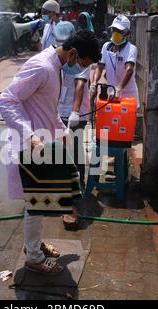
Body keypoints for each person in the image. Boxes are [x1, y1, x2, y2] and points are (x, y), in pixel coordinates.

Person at [0, 31, 101, 275]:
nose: (79, 69)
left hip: (43, 144)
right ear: (73, 52)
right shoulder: (43, 67)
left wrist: (63, 132)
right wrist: (29, 134)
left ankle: (34, 245)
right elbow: (7, 100)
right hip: (31, 145)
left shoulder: (56, 67)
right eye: (81, 63)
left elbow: (47, 108)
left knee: (40, 201)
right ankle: (33, 256)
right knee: (36, 202)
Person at [54, 21, 91, 217]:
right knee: (61, 151)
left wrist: (74, 114)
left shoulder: (81, 58)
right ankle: (64, 188)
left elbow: (79, 86)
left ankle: (80, 187)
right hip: (61, 109)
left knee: (76, 151)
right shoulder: (58, 56)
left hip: (78, 113)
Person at [91, 14, 139, 110]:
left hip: (128, 96)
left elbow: (129, 69)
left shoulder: (131, 49)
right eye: (114, 30)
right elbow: (100, 67)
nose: (116, 33)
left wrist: (119, 88)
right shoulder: (106, 47)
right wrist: (94, 82)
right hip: (112, 94)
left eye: (119, 31)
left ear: (127, 33)